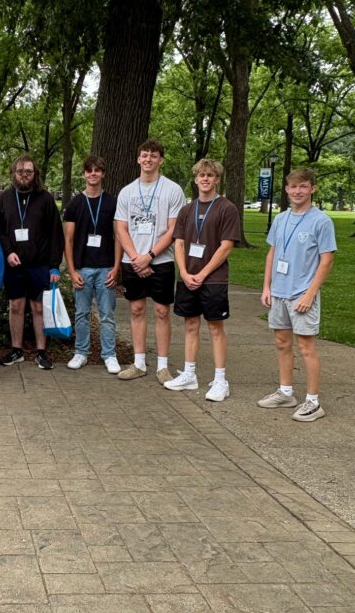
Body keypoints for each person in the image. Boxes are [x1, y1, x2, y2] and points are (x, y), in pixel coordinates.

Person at [258, 167, 336, 422]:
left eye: (303, 186)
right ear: (287, 189)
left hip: (302, 293)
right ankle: (286, 392)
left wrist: (310, 294)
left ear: (312, 188)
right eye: (293, 186)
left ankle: (313, 401)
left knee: (306, 346)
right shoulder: (280, 219)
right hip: (279, 292)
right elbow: (272, 253)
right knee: (281, 342)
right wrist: (267, 287)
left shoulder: (321, 220)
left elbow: (326, 260)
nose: (298, 191)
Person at [163, 159, 240, 401]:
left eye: (210, 175)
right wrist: (184, 273)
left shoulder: (227, 208)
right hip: (188, 277)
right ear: (195, 180)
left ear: (217, 179)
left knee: (215, 327)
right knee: (190, 325)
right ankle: (189, 374)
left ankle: (220, 380)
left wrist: (203, 273)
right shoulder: (187, 210)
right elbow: (179, 243)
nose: (205, 179)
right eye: (201, 175)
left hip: (213, 279)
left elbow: (226, 246)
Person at [114, 138, 185, 383]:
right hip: (132, 260)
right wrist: (136, 258)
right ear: (138, 159)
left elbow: (174, 229)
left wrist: (150, 256)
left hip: (161, 260)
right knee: (136, 309)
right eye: (144, 155)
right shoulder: (127, 191)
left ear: (160, 160)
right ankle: (139, 362)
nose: (148, 159)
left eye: (153, 156)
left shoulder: (172, 190)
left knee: (162, 311)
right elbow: (121, 228)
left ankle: (163, 366)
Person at [0, 154, 64, 370]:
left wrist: (54, 265)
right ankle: (16, 350)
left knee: (39, 307)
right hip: (14, 265)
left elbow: (56, 234)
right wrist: (7, 252)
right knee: (15, 306)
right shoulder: (4, 198)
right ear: (13, 173)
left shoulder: (46, 199)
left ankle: (41, 352)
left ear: (35, 174)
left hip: (39, 264)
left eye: (29, 172)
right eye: (20, 171)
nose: (24, 175)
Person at [63, 155, 122, 373]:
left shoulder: (112, 202)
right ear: (84, 174)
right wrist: (71, 270)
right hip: (82, 268)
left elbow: (119, 237)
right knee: (81, 313)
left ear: (103, 174)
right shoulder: (75, 204)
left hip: (106, 266)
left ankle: (109, 355)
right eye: (89, 171)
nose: (93, 174)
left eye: (98, 170)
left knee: (107, 314)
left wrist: (117, 268)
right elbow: (68, 240)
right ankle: (81, 352)